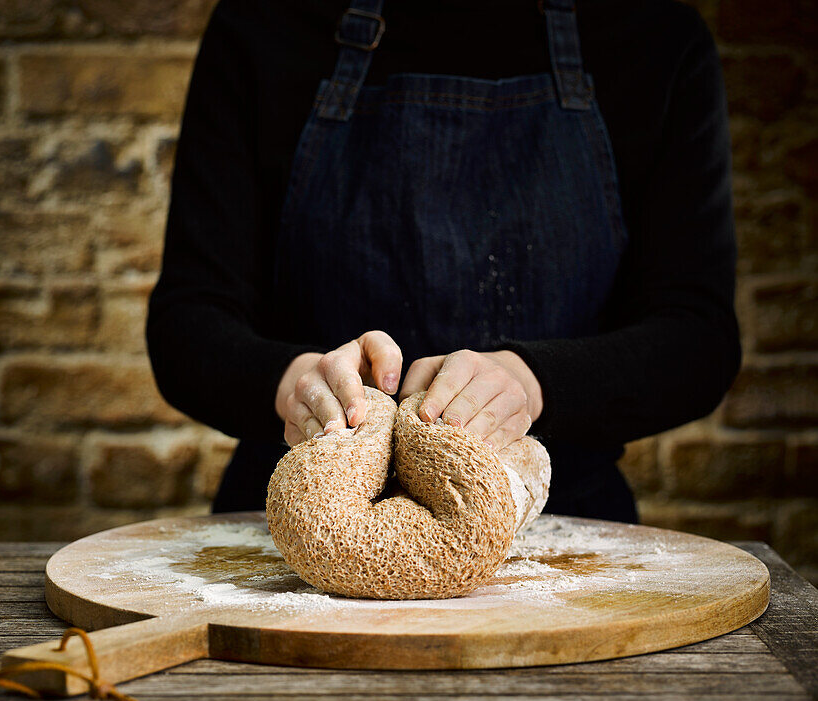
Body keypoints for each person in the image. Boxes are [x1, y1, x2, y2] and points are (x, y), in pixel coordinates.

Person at [146, 0, 740, 522]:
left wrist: (532, 382)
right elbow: (187, 323)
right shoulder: (266, 25)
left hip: (565, 527)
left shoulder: (652, 37)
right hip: (285, 526)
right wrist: (294, 383)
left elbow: (697, 338)